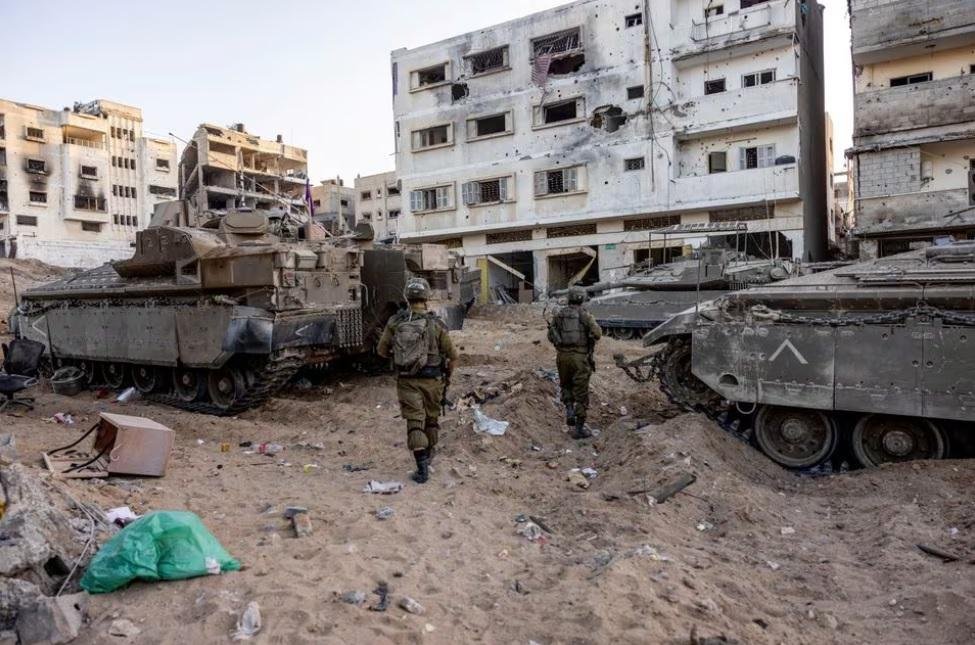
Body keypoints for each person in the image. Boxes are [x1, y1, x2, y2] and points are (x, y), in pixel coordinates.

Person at [377, 277, 458, 483]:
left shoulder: (396, 321)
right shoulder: (436, 323)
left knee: (415, 423)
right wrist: (447, 376)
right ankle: (428, 458)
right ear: (426, 297)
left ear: (407, 296)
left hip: (407, 381)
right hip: (433, 381)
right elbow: (452, 355)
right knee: (431, 419)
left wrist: (401, 358)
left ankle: (421, 470)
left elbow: (381, 350)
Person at [548, 286, 602, 439]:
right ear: (582, 298)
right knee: (581, 393)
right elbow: (597, 334)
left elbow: (550, 336)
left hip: (562, 357)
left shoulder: (559, 315)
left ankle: (569, 409)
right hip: (580, 358)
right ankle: (579, 428)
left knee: (566, 385)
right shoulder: (585, 315)